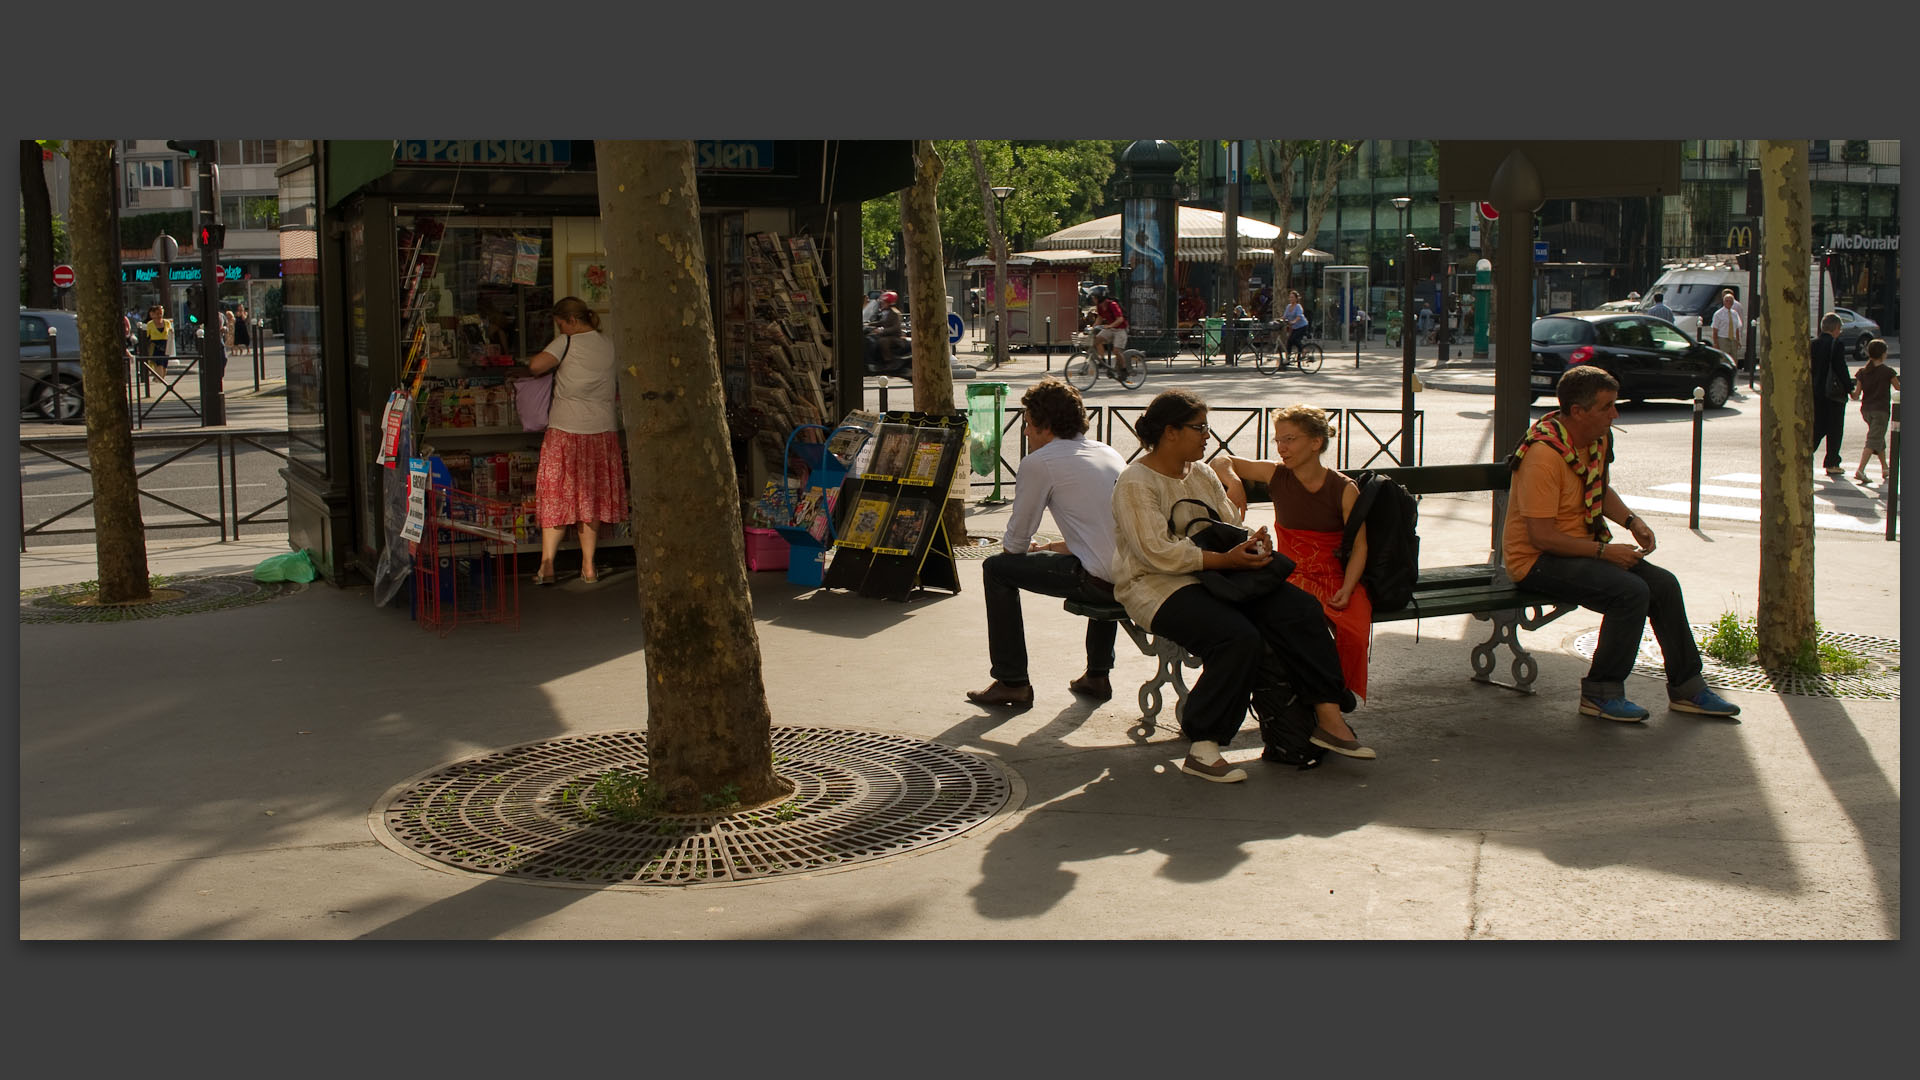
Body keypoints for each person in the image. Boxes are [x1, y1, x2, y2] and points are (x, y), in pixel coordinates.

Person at [1110, 389, 1370, 783]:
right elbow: (1155, 553)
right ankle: (1203, 744)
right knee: (1236, 636)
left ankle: (1328, 717)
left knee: (1300, 609)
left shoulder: (1200, 473)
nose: (1207, 436)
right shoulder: (1135, 482)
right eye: (1199, 428)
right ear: (1170, 432)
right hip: (1157, 585)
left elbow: (1229, 525)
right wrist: (1225, 559)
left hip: (1221, 577)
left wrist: (1251, 544)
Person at [1502, 365, 1740, 722]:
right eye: (1607, 407)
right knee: (1629, 592)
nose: (1616, 414)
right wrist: (1604, 551)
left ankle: (1688, 687)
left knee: (1663, 584)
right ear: (1578, 412)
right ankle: (1601, 692)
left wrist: (1632, 522)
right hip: (1536, 561)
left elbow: (1599, 487)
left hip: (1581, 549)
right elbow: (1541, 536)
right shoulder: (1543, 454)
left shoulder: (1596, 440)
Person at [966, 378, 1128, 709]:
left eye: (1027, 424)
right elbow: (1104, 535)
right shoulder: (1107, 452)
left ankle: (1012, 681)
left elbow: (1015, 543)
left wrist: (1026, 552)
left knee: (996, 569)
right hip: (1132, 574)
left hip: (1098, 581)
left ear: (1045, 426)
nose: (1025, 433)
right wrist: (1052, 550)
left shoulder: (1041, 463)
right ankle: (1097, 674)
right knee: (1101, 562)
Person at [1210, 405, 1373, 701]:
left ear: (1316, 443)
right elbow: (1221, 459)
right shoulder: (1276, 474)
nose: (1282, 448)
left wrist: (1348, 589)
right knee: (1296, 629)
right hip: (1290, 573)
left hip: (1334, 575)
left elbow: (1360, 546)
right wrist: (1234, 481)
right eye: (1278, 441)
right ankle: (1317, 697)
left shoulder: (1344, 488)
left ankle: (1338, 695)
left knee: (1355, 633)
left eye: (1290, 440)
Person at [526, 296, 628, 586]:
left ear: (571, 321)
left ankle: (547, 565)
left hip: (565, 432)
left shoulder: (566, 343)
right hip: (602, 432)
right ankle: (589, 566)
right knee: (590, 501)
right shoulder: (609, 343)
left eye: (561, 324)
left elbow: (535, 366)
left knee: (555, 498)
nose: (560, 330)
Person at [1811, 312, 1854, 477]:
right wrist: (1850, 388)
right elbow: (1840, 367)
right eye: (1840, 329)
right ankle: (1832, 462)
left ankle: (1804, 454)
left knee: (1818, 427)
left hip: (1816, 392)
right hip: (1833, 394)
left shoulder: (1812, 344)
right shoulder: (1836, 344)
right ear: (1836, 328)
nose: (1840, 332)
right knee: (1835, 429)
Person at [1852, 339, 1899, 485]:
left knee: (1877, 437)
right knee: (1873, 440)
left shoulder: (1862, 372)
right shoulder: (1888, 372)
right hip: (1881, 410)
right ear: (1883, 354)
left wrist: (1849, 392)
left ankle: (1885, 468)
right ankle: (1861, 469)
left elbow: (1856, 394)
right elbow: (1898, 388)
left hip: (1866, 410)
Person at [1088, 285, 1129, 375]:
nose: (1093, 299)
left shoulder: (1112, 305)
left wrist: (1110, 326)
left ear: (1100, 297)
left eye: (1094, 297)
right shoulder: (1099, 306)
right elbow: (1099, 318)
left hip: (1120, 330)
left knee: (1116, 351)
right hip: (1111, 328)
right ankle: (1102, 360)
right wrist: (1092, 328)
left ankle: (1124, 369)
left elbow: (1120, 319)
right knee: (1097, 340)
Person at [867, 290, 906, 373]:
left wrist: (882, 331)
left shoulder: (895, 313)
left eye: (884, 302)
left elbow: (895, 328)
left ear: (889, 303)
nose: (882, 304)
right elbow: (881, 322)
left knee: (882, 341)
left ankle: (890, 362)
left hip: (895, 338)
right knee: (871, 339)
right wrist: (868, 324)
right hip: (887, 335)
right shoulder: (885, 313)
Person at [1709, 290, 1744, 357]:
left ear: (1733, 302)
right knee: (1725, 358)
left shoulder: (1735, 313)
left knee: (1734, 358)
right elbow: (1715, 330)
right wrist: (1716, 343)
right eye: (1727, 301)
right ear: (1723, 302)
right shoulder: (1718, 314)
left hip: (1733, 340)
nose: (1729, 302)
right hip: (1723, 339)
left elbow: (1737, 328)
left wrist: (1738, 340)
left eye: (1730, 301)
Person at [1280, 290, 1310, 357]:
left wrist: (1294, 321)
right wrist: (1278, 320)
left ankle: (1303, 350)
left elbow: (1299, 316)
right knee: (1289, 342)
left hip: (1302, 326)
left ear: (1296, 298)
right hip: (1294, 327)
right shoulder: (1288, 306)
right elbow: (1285, 316)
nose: (1291, 299)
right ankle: (1288, 358)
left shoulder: (1298, 306)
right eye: (1290, 297)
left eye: (1292, 297)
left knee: (1294, 339)